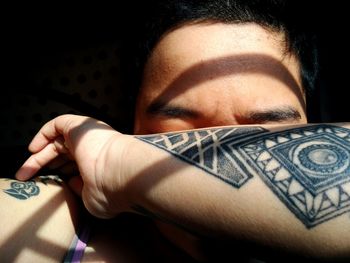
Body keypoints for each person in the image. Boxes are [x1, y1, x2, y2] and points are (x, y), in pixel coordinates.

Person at [1, 0, 349, 262]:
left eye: (264, 131)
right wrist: (111, 164)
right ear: (131, 126)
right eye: (179, 126)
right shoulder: (61, 224)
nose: (219, 157)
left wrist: (117, 160)